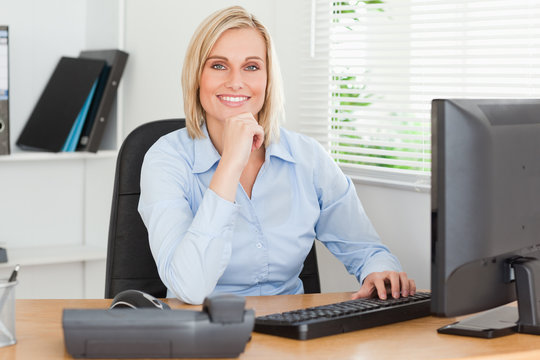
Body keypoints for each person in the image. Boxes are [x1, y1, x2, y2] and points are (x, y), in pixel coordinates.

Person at [138, 5, 416, 305]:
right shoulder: (166, 159)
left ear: (268, 79)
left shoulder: (307, 157)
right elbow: (190, 287)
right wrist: (231, 162)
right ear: (196, 76)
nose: (236, 81)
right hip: (202, 332)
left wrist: (380, 271)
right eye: (218, 65)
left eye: (252, 66)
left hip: (291, 332)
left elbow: (366, 249)